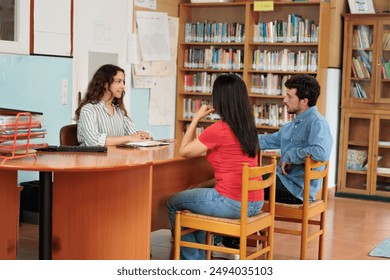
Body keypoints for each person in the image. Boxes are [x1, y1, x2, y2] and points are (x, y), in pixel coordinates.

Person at [167, 74, 263, 260]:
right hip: (255, 202)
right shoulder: (249, 129)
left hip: (231, 203)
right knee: (194, 198)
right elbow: (236, 171)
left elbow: (184, 150)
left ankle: (192, 260)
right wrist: (201, 185)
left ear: (220, 99)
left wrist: (196, 118)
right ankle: (200, 255)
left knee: (173, 202)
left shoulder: (219, 129)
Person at [260, 74, 333, 203]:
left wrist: (292, 155)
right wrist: (234, 138)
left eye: (289, 96)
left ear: (304, 101)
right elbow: (266, 141)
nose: (284, 100)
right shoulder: (292, 125)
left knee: (246, 183)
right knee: (244, 180)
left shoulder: (317, 123)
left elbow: (321, 153)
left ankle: (242, 220)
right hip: (282, 181)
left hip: (296, 191)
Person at [74, 64, 152, 146]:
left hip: (116, 157)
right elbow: (94, 142)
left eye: (123, 82)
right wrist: (128, 138)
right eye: (118, 81)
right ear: (105, 83)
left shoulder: (119, 111)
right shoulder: (88, 110)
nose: (123, 86)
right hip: (93, 158)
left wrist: (144, 136)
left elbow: (134, 134)